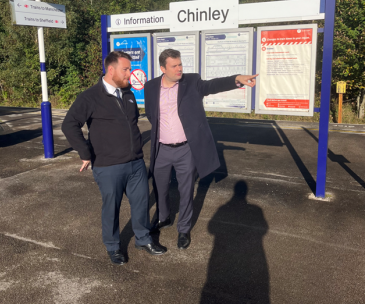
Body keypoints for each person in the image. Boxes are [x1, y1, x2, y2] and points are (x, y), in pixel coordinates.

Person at [144, 48, 257, 250]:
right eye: (174, 66)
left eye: (180, 64)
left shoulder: (191, 82)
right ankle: (163, 218)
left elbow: (212, 85)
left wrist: (237, 79)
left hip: (185, 149)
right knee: (160, 189)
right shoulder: (151, 86)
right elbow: (152, 115)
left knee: (186, 190)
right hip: (161, 149)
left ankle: (184, 228)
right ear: (163, 68)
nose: (179, 69)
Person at [62, 51, 166, 265]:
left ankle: (143, 239)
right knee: (112, 207)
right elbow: (69, 125)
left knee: (141, 203)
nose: (130, 73)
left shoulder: (127, 93)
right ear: (111, 70)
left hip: (135, 162)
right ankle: (113, 246)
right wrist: (85, 153)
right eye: (126, 69)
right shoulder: (90, 97)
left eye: (130, 69)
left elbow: (133, 121)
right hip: (108, 165)